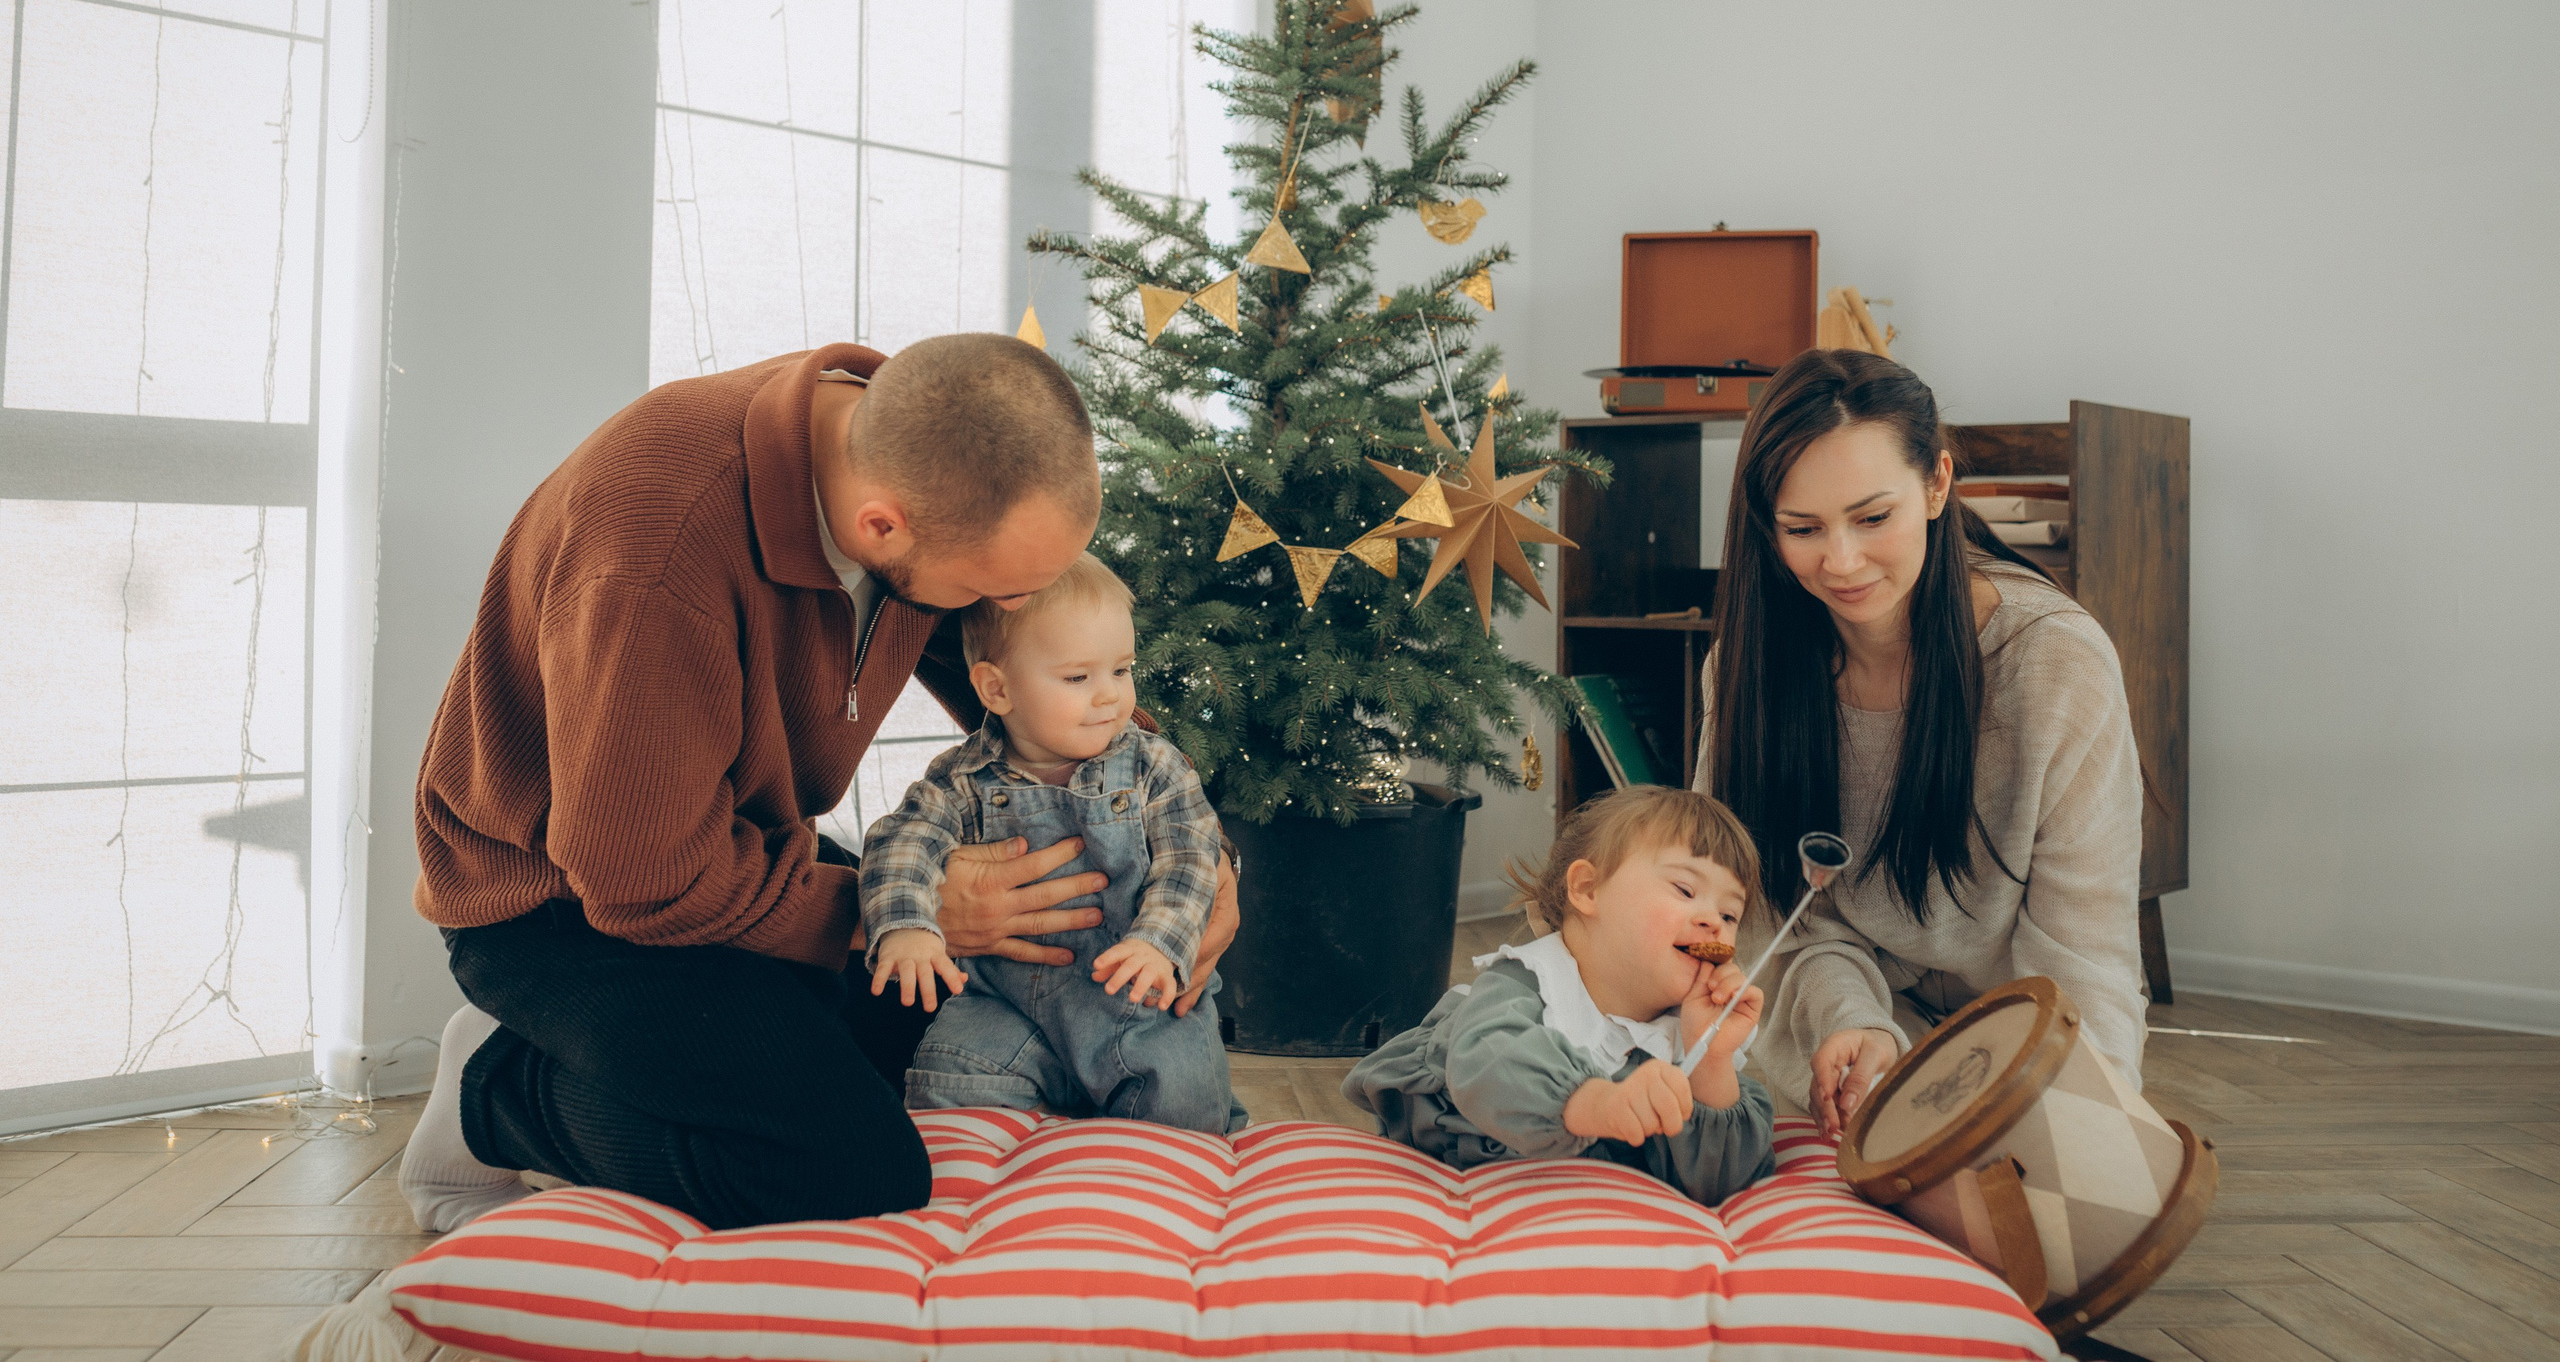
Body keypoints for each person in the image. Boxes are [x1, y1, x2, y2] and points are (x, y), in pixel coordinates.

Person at [394, 335, 1240, 1234]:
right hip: (567, 903)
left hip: (740, 851)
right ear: (883, 526)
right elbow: (638, 879)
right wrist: (904, 912)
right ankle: (496, 1086)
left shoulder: (911, 451)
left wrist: (1200, 854)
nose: (1011, 611)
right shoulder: (653, 554)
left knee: (973, 1035)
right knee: (847, 1168)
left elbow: (1029, 672)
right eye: (993, 590)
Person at [1694, 348, 2146, 1136]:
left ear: (1937, 483)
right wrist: (1855, 1025)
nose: (1841, 562)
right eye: (1802, 529)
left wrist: (2079, 1132)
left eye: (1874, 517)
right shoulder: (1746, 666)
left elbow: (2085, 960)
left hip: (2020, 1038)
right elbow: (1771, 919)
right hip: (1838, 1028)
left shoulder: (2055, 665)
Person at [863, 554, 1244, 1132]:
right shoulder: (960, 780)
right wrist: (908, 924)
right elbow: (900, 843)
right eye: (1077, 677)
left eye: (1121, 670)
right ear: (997, 688)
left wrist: (1160, 944)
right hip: (1003, 1004)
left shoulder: (1154, 766)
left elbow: (1191, 856)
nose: (1110, 697)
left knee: (1184, 1104)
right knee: (947, 1081)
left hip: (1138, 999)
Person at [1342, 785, 1777, 1206]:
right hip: (1460, 1151)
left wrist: (1711, 1058)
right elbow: (1487, 1063)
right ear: (1587, 889)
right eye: (1685, 890)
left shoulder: (1679, 1033)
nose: (1713, 924)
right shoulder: (1529, 981)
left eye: (1729, 913)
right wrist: (1599, 1102)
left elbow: (1719, 1181)